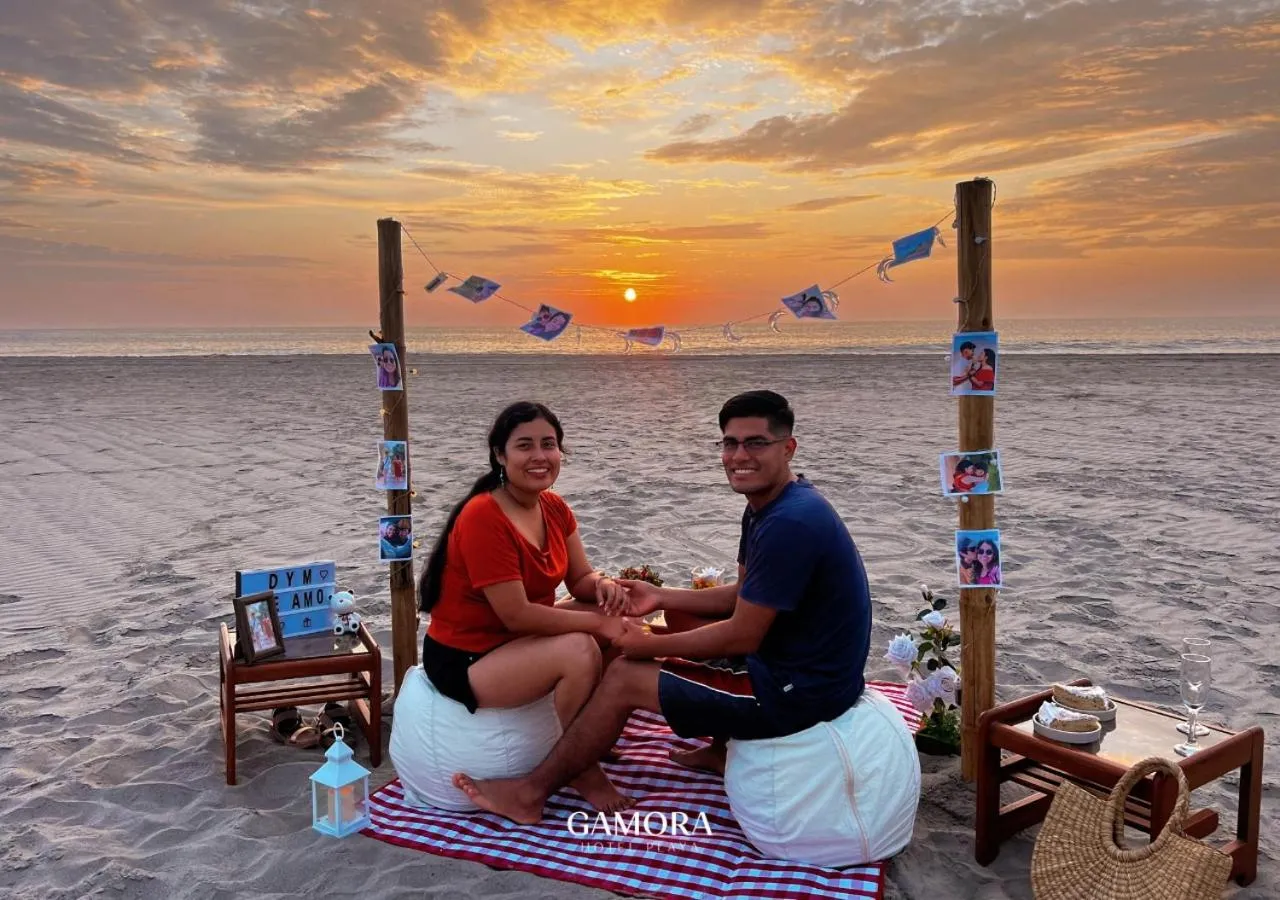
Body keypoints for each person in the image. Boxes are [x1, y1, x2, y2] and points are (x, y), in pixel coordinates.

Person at [452, 390, 874, 824]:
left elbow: (742, 633)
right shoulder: (773, 504)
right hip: (800, 665)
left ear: (788, 448)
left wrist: (645, 646)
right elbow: (739, 595)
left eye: (756, 443)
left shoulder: (789, 521)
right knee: (683, 617)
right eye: (730, 443)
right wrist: (661, 597)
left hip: (797, 691)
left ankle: (530, 792)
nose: (739, 455)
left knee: (623, 677)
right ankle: (720, 749)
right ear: (499, 455)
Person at [418, 401, 633, 813]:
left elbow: (580, 580)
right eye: (525, 446)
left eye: (549, 445)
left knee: (614, 615)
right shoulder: (484, 514)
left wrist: (606, 587)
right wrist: (595, 626)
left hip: (518, 638)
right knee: (581, 647)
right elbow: (514, 613)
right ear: (500, 454)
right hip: (468, 655)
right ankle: (581, 771)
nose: (539, 456)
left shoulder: (553, 507)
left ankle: (590, 737)